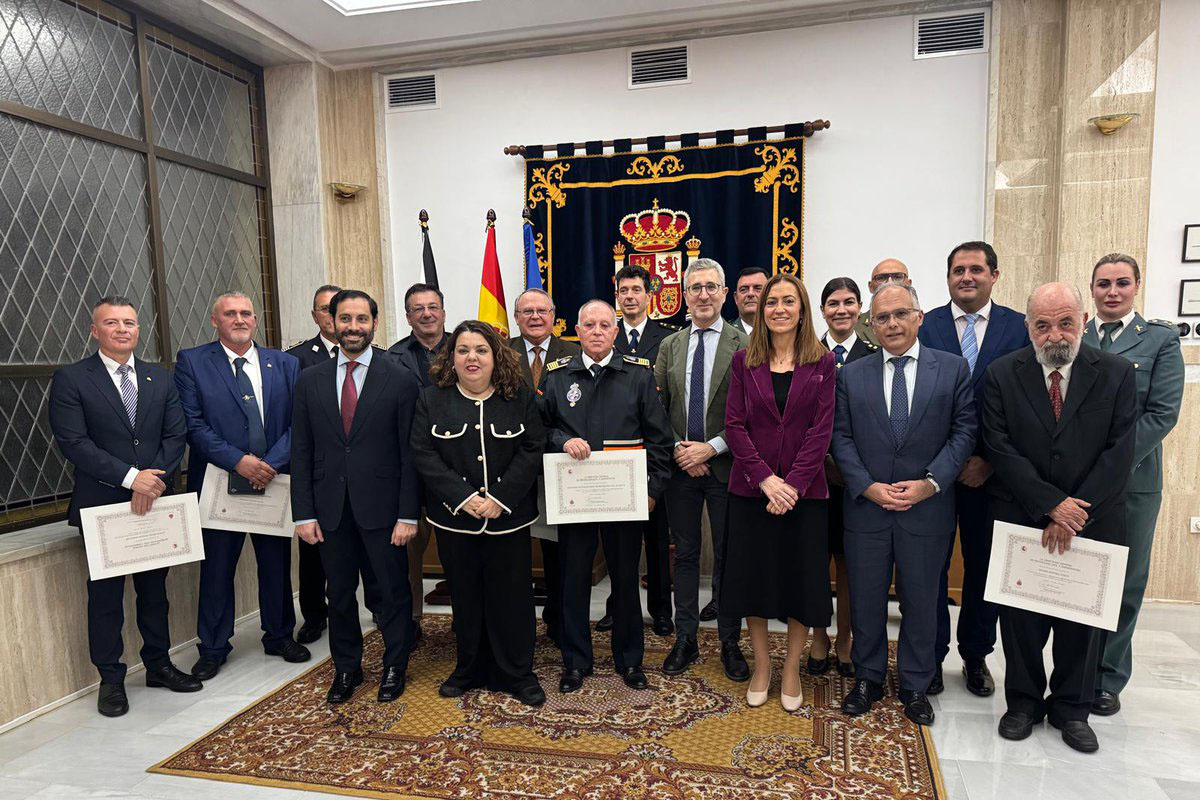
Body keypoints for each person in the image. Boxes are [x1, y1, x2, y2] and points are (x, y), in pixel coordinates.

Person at [983, 282, 1136, 753]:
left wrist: (1071, 512)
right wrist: (1050, 504)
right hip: (1023, 516)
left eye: (1065, 323)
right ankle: (1023, 703)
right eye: (1043, 325)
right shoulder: (1002, 374)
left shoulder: (1115, 374)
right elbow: (999, 446)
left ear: (1084, 321)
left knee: (1081, 625)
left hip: (1093, 519)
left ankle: (1072, 710)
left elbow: (1120, 451)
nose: (1055, 335)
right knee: (1020, 623)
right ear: (1028, 328)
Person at [48, 297, 202, 717]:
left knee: (155, 592)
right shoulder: (72, 378)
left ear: (138, 329)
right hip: (103, 504)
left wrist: (152, 482)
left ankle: (159, 665)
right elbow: (73, 442)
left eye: (129, 323)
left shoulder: (159, 377)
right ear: (94, 330)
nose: (121, 329)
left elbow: (176, 435)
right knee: (106, 598)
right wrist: (133, 478)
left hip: (154, 502)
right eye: (111, 323)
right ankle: (111, 679)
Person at [831, 283, 975, 726]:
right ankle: (868, 677)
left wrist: (931, 484)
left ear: (919, 317)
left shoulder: (951, 369)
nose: (892, 323)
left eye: (900, 314)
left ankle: (915, 683)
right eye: (882, 317)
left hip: (927, 509)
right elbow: (840, 438)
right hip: (867, 508)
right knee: (866, 597)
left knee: (922, 599)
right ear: (870, 325)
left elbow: (964, 432)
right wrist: (866, 486)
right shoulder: (850, 375)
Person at [291, 289, 422, 704]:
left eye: (361, 319)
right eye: (345, 319)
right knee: (340, 595)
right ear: (331, 321)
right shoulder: (310, 380)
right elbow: (302, 450)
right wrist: (303, 514)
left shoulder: (400, 378)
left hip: (385, 510)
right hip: (330, 510)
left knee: (392, 591)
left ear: (374, 324)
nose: (353, 327)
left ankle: (395, 665)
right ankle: (347, 667)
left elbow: (410, 453)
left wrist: (408, 514)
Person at [540, 300, 674, 693]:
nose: (597, 332)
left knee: (625, 580)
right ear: (577, 331)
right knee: (573, 580)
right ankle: (575, 662)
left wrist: (652, 492)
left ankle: (630, 660)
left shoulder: (638, 376)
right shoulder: (558, 377)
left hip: (624, 500)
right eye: (589, 325)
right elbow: (538, 429)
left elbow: (660, 440)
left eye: (604, 325)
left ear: (615, 332)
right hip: (575, 500)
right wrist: (562, 441)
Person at [412, 320, 547, 706]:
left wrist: (500, 498)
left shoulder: (518, 396)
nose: (472, 357)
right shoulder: (431, 399)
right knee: (466, 598)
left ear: (495, 357)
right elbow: (423, 452)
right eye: (463, 350)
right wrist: (463, 497)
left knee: (513, 598)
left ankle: (518, 672)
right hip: (455, 519)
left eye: (481, 350)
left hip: (509, 518)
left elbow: (533, 446)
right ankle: (468, 668)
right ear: (451, 358)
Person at [175, 292, 308, 680]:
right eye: (230, 313)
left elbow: (299, 422)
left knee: (276, 565)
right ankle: (213, 647)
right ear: (214, 321)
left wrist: (271, 463)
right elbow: (192, 424)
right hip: (219, 481)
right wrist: (239, 461)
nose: (239, 319)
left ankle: (279, 635)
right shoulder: (193, 362)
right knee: (217, 568)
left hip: (273, 480)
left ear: (255, 319)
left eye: (246, 313)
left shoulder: (285, 364)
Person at [918, 242, 1029, 696]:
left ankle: (976, 655)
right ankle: (930, 656)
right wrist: (943, 465)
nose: (967, 277)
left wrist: (991, 461)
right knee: (931, 569)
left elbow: (1026, 407)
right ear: (948, 278)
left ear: (994, 276)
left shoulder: (1019, 328)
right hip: (933, 475)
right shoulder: (925, 325)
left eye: (976, 270)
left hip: (991, 475)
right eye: (958, 270)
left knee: (983, 568)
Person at [723, 273, 836, 712]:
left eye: (789, 301)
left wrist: (792, 485)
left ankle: (791, 668)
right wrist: (767, 480)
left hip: (804, 497)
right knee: (753, 582)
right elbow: (734, 426)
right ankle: (763, 666)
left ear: (802, 310)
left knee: (799, 584)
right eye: (772, 302)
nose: (779, 309)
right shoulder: (743, 361)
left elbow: (821, 431)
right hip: (752, 493)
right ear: (762, 310)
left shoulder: (823, 362)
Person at [1083, 254, 1183, 716]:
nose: (1112, 292)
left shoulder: (1159, 339)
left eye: (1121, 283)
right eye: (1103, 283)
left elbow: (1162, 413)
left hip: (1132, 482)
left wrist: (1111, 463)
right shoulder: (1076, 335)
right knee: (1079, 578)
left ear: (1136, 286)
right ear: (1092, 288)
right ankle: (1075, 670)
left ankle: (1107, 677)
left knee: (1125, 581)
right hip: (1077, 483)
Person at [656, 259, 750, 682]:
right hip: (681, 470)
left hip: (728, 466)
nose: (704, 295)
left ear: (725, 293)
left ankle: (730, 641)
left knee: (729, 556)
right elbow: (657, 407)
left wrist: (710, 448)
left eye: (711, 287)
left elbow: (752, 411)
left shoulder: (746, 344)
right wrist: (681, 449)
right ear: (684, 295)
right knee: (686, 554)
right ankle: (686, 638)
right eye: (695, 288)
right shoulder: (670, 345)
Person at [286, 283, 382, 645]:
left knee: (375, 565)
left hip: (370, 487)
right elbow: (297, 432)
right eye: (333, 312)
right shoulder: (298, 362)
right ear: (320, 316)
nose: (349, 324)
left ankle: (380, 610)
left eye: (359, 317)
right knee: (319, 565)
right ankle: (316, 618)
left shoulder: (385, 364)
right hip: (324, 486)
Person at [604, 264, 676, 635]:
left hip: (654, 455)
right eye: (624, 290)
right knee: (619, 543)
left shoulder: (669, 338)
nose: (630, 296)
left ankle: (661, 610)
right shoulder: (605, 334)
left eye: (636, 290)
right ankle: (618, 606)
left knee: (658, 539)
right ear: (617, 296)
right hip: (615, 458)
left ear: (650, 295)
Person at [812, 276, 878, 678]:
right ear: (822, 311)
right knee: (815, 562)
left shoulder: (873, 355)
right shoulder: (806, 353)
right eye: (833, 303)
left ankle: (845, 639)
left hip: (856, 480)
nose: (841, 310)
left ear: (859, 308)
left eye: (849, 302)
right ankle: (819, 635)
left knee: (850, 564)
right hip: (813, 478)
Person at [508, 288, 580, 647]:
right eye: (527, 311)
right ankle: (517, 623)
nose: (535, 317)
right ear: (516, 317)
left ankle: (558, 618)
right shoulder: (500, 353)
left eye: (542, 311)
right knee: (516, 550)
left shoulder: (575, 353)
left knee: (559, 551)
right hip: (514, 467)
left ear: (554, 316)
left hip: (562, 465)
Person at [388, 282, 450, 642]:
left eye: (432, 307)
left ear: (443, 312)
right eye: (418, 309)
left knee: (458, 552)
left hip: (456, 467)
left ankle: (466, 618)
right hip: (409, 467)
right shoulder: (392, 357)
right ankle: (410, 620)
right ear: (408, 316)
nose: (427, 314)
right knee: (409, 554)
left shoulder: (465, 347)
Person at [856, 259, 911, 346]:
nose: (890, 282)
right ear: (870, 286)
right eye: (881, 278)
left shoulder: (927, 324)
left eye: (897, 277)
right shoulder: (854, 325)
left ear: (909, 283)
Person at [731, 266, 769, 335]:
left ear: (769, 295)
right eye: (744, 289)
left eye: (758, 288)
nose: (750, 294)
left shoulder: (781, 333)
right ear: (736, 298)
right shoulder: (723, 335)